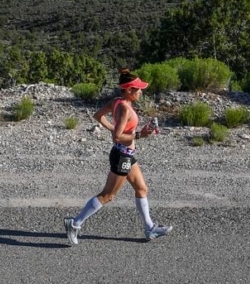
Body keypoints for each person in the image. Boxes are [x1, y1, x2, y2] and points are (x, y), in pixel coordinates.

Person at [65, 70, 173, 246]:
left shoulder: (117, 102)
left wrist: (121, 130)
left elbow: (98, 115)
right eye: (138, 89)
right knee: (108, 195)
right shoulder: (124, 107)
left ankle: (150, 228)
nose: (141, 92)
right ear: (129, 90)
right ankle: (75, 223)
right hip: (122, 156)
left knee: (142, 188)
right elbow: (117, 137)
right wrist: (139, 135)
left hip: (126, 154)